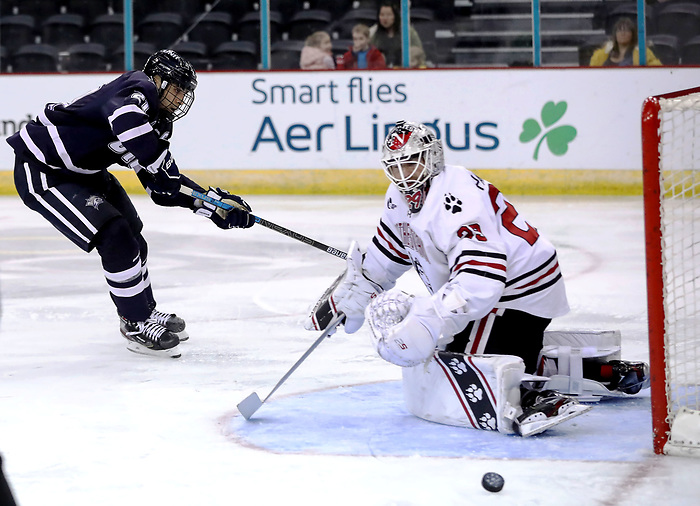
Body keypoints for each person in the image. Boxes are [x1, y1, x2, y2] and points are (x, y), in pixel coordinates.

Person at [305, 120, 650, 437]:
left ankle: (533, 398)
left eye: (409, 163)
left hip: (514, 294)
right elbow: (390, 252)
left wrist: (430, 316)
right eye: (393, 165)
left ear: (432, 157)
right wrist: (352, 293)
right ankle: (605, 373)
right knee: (452, 354)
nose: (402, 173)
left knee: (459, 370)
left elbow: (481, 281)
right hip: (500, 292)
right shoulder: (398, 197)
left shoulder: (456, 195)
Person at [6, 49, 254, 359]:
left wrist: (213, 205)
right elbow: (131, 128)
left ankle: (143, 312)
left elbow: (161, 188)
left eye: (184, 92)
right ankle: (136, 323)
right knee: (115, 236)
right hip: (44, 171)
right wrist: (163, 167)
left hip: (85, 172)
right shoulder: (137, 89)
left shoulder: (158, 124)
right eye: (176, 88)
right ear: (157, 79)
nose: (180, 98)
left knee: (134, 236)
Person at [369, 1, 423, 68]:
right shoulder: (372, 32)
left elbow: (419, 53)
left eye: (389, 15)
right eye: (382, 15)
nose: (385, 18)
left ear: (395, 16)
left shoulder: (407, 31)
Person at [590, 17, 662, 66]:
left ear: (632, 34)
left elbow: (656, 71)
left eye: (626, 30)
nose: (622, 33)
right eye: (619, 30)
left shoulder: (643, 53)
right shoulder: (602, 54)